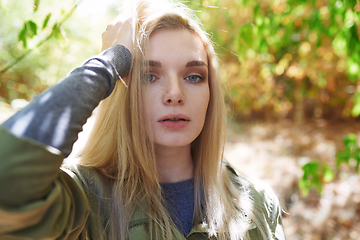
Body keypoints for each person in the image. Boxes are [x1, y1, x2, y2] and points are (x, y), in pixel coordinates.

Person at [0, 0, 286, 239]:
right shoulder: (85, 199)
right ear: (124, 92)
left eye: (193, 76)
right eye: (149, 76)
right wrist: (109, 63)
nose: (174, 94)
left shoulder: (258, 204)